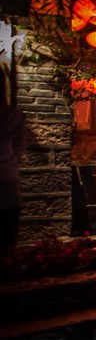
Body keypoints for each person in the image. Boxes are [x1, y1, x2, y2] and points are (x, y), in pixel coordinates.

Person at [0, 98, 30, 250]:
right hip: (8, 175)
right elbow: (20, 147)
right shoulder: (14, 117)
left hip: (7, 177)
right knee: (8, 235)